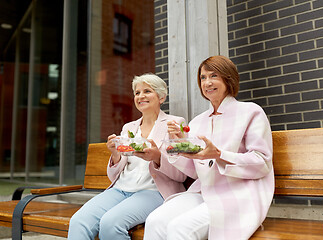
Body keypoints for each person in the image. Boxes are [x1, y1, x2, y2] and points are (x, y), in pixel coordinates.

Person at [144, 55, 274, 240]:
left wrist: (220, 155)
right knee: (155, 221)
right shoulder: (197, 122)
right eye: (203, 78)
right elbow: (195, 171)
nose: (207, 82)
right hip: (203, 191)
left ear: (228, 79)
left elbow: (262, 163)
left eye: (214, 76)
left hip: (238, 193)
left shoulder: (251, 112)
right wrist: (181, 145)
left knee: (180, 228)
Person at [68, 73, 187, 240]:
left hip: (153, 191)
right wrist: (115, 154)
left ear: (161, 97)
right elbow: (113, 177)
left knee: (110, 224)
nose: (140, 96)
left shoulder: (175, 124)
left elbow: (181, 174)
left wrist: (157, 157)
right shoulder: (128, 128)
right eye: (137, 93)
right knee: (79, 221)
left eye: (147, 91)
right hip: (120, 189)